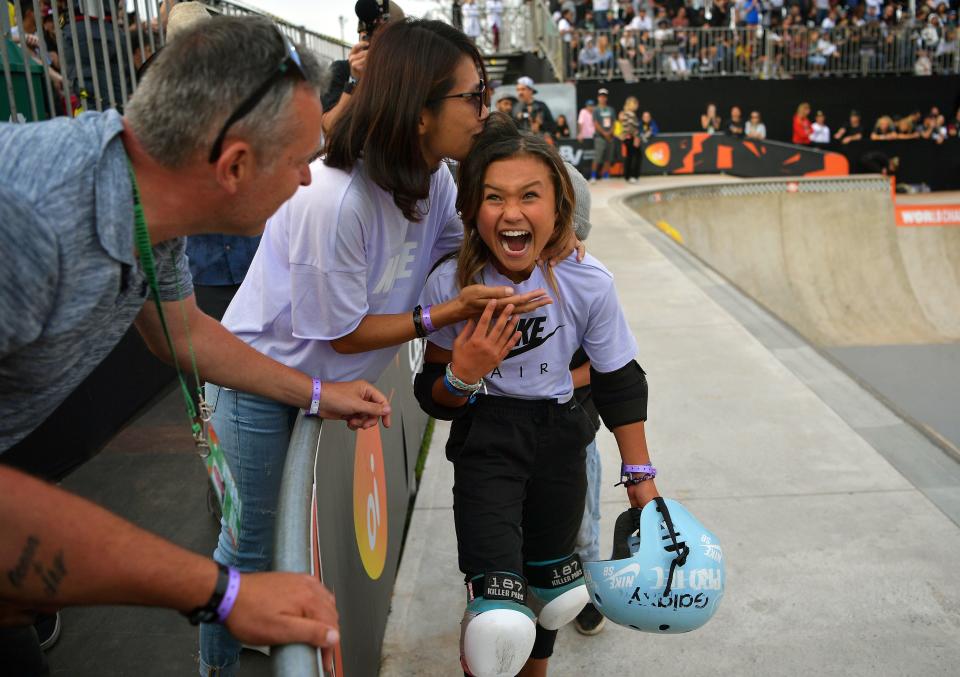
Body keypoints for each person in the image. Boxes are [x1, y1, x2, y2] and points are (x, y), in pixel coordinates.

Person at [0, 16, 393, 677]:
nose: (306, 181)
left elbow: (183, 331)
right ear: (235, 164)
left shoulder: (142, 196)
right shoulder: (27, 222)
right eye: (301, 162)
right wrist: (226, 591)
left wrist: (320, 393)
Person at [197, 20, 576, 676]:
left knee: (262, 555)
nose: (484, 111)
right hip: (256, 386)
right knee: (247, 556)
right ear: (419, 107)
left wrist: (549, 241)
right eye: (473, 96)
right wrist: (444, 312)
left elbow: (460, 248)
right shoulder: (334, 196)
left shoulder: (431, 178)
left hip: (321, 385)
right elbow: (340, 329)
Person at [414, 113, 659, 677]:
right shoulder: (451, 284)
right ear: (473, 208)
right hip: (488, 449)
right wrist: (464, 374)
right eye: (495, 198)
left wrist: (642, 482)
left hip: (559, 447)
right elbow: (432, 398)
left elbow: (621, 381)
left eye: (531, 195)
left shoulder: (586, 279)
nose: (514, 212)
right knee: (497, 616)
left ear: (559, 207)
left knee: (554, 599)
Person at [320, 1, 404, 135]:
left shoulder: (405, 76)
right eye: (367, 35)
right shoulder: (342, 70)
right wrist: (354, 80)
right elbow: (330, 127)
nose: (371, 41)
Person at [590, 87, 615, 183]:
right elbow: (595, 123)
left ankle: (605, 175)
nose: (602, 98)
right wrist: (605, 133)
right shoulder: (596, 110)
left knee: (608, 157)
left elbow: (613, 122)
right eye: (601, 96)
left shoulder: (611, 109)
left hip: (610, 137)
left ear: (606, 98)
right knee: (597, 157)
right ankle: (593, 176)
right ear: (598, 98)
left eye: (604, 96)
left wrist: (610, 133)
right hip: (600, 137)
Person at [620, 96, 642, 184]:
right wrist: (636, 137)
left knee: (630, 157)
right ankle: (633, 176)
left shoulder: (626, 113)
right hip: (631, 138)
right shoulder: (630, 114)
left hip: (628, 138)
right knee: (636, 157)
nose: (637, 105)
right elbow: (630, 128)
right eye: (636, 103)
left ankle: (628, 176)